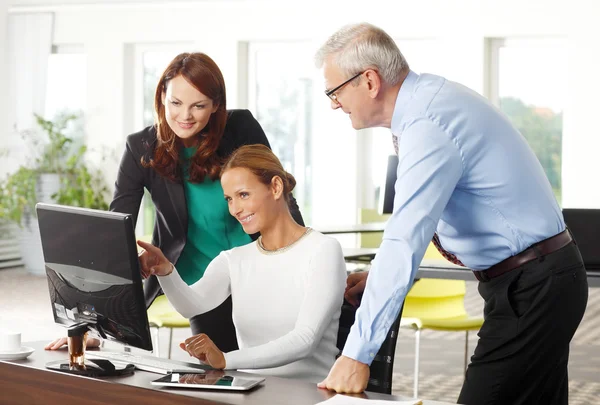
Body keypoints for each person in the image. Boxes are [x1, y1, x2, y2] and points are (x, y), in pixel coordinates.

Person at [314, 23, 588, 405]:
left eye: (335, 91)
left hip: (534, 286)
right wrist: (380, 278)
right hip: (538, 279)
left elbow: (404, 238)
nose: (333, 103)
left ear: (370, 80)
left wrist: (357, 354)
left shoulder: (428, 123)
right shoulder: (427, 105)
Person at [45, 52, 303, 353]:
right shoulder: (142, 147)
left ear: (216, 105)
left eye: (199, 105)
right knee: (219, 378)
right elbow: (113, 235)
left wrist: (302, 257)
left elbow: (280, 194)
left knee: (277, 370)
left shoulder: (240, 128)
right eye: (175, 103)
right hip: (202, 285)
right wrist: (95, 326)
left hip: (259, 269)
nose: (185, 116)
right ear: (162, 97)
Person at [136, 144, 346, 383]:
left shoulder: (323, 250)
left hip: (310, 394)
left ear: (275, 187)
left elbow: (305, 339)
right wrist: (166, 272)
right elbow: (191, 305)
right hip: (252, 393)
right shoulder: (234, 259)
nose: (235, 209)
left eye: (243, 195)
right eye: (229, 199)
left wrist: (228, 360)